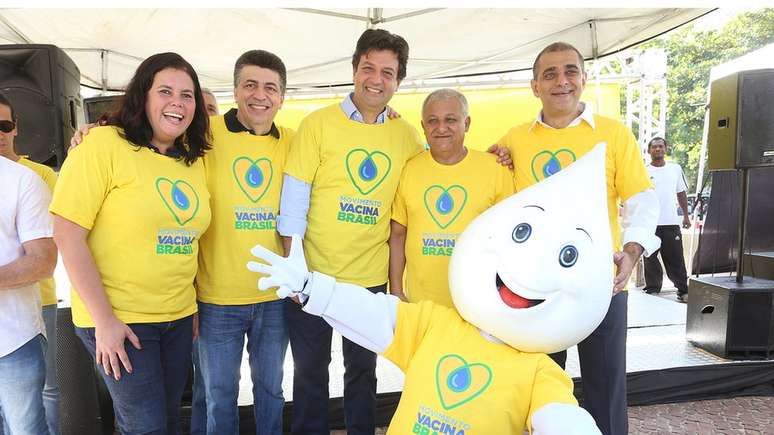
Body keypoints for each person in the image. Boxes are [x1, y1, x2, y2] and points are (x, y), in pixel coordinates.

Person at [250, 144, 616, 435]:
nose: (530, 269)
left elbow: (561, 417)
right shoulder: (434, 326)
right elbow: (372, 312)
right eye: (523, 234)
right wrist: (311, 286)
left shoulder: (540, 371)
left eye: (567, 256)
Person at [496, 42, 659, 435]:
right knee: (539, 388)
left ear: (584, 79)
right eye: (549, 74)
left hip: (601, 284)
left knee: (606, 389)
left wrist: (632, 252)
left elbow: (641, 200)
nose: (561, 81)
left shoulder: (612, 135)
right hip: (536, 288)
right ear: (534, 85)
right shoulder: (515, 139)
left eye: (570, 71)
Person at [51, 52, 212, 435]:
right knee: (146, 428)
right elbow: (67, 233)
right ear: (142, 95)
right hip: (121, 319)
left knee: (171, 421)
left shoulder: (192, 161)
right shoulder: (102, 144)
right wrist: (104, 321)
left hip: (175, 317)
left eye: (187, 95)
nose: (177, 102)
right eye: (166, 91)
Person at [277, 28, 423, 435]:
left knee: (362, 373)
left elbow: (428, 184)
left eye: (388, 73)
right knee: (309, 374)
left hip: (370, 280)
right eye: (368, 68)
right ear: (354, 69)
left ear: (399, 80)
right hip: (314, 276)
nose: (376, 79)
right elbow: (294, 202)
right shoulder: (318, 124)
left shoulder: (407, 135)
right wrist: (294, 266)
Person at [194, 50, 294, 435]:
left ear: (282, 97)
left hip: (274, 298)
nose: (260, 95)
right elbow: (149, 141)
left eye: (271, 88)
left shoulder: (294, 141)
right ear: (235, 90)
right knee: (219, 395)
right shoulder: (203, 135)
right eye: (250, 84)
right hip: (217, 298)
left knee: (271, 390)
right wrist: (96, 128)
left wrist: (389, 116)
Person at [389, 89, 514, 307]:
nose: (441, 128)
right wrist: (397, 290)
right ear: (423, 126)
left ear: (466, 123)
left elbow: (509, 237)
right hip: (422, 305)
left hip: (479, 303)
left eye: (450, 120)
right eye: (432, 121)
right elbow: (398, 234)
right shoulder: (409, 169)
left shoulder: (495, 169)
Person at [0, 91, 60, 435]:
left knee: (31, 421)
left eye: (4, 125)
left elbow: (43, 260)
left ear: (16, 128)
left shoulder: (28, 179)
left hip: (14, 336)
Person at [189, 87, 218, 435]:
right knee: (206, 386)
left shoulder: (225, 148)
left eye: (213, 109)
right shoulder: (183, 155)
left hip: (228, 291)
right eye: (202, 109)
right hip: (195, 294)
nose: (207, 117)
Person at [643, 136, 691, 303]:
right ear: (649, 151)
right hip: (649, 223)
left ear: (666, 149)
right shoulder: (643, 170)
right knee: (650, 258)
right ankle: (653, 289)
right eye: (654, 147)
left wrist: (686, 215)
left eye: (661, 146)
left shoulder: (675, 169)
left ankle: (683, 290)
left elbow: (681, 193)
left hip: (670, 222)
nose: (658, 149)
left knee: (675, 258)